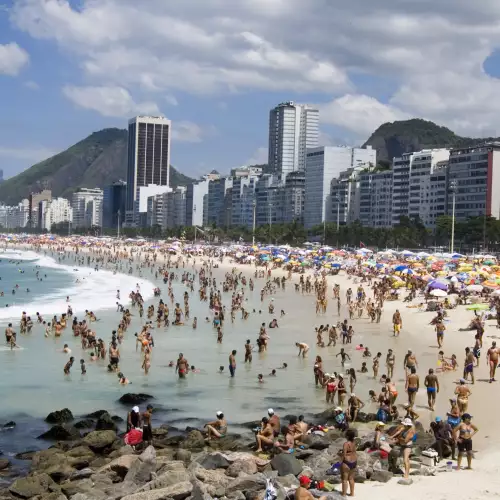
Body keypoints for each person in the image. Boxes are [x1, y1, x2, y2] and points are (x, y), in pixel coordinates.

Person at [340, 429, 357, 497]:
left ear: (347, 436)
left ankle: (344, 494)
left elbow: (344, 455)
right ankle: (352, 493)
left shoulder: (346, 444)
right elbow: (354, 452)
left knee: (344, 479)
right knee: (351, 478)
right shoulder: (354, 443)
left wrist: (339, 454)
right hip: (354, 461)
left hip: (347, 462)